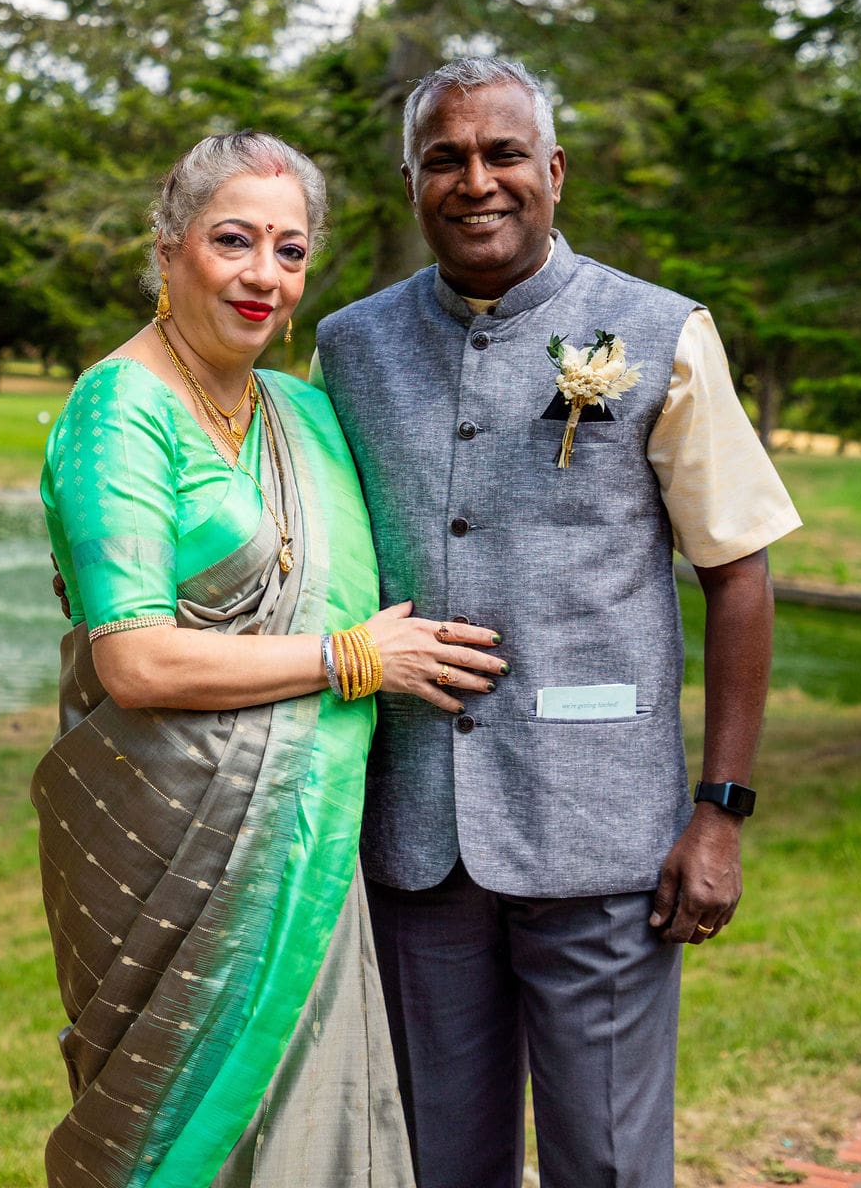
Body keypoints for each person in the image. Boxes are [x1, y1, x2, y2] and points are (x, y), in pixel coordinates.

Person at [313, 58, 802, 1188]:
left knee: (611, 1164)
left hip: (605, 838)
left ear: (554, 170)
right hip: (414, 839)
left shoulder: (661, 331)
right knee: (437, 1163)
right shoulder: (349, 346)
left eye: (503, 154)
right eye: (444, 159)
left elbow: (738, 573)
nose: (476, 181)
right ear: (410, 181)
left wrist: (721, 811)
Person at [36, 129, 507, 1188]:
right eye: (233, 241)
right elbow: (134, 663)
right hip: (171, 845)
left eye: (289, 251)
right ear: (168, 248)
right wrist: (351, 659)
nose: (264, 275)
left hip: (309, 834)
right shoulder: (119, 411)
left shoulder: (300, 412)